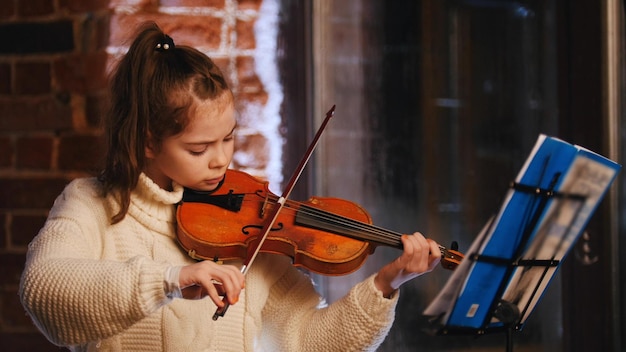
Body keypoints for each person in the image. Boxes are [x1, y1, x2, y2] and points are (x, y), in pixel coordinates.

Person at [19, 21, 441, 351]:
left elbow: (307, 340)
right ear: (147, 141)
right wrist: (171, 278)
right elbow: (44, 291)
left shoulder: (249, 227)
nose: (221, 159)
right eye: (200, 148)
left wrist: (386, 284)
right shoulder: (92, 205)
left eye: (228, 138)